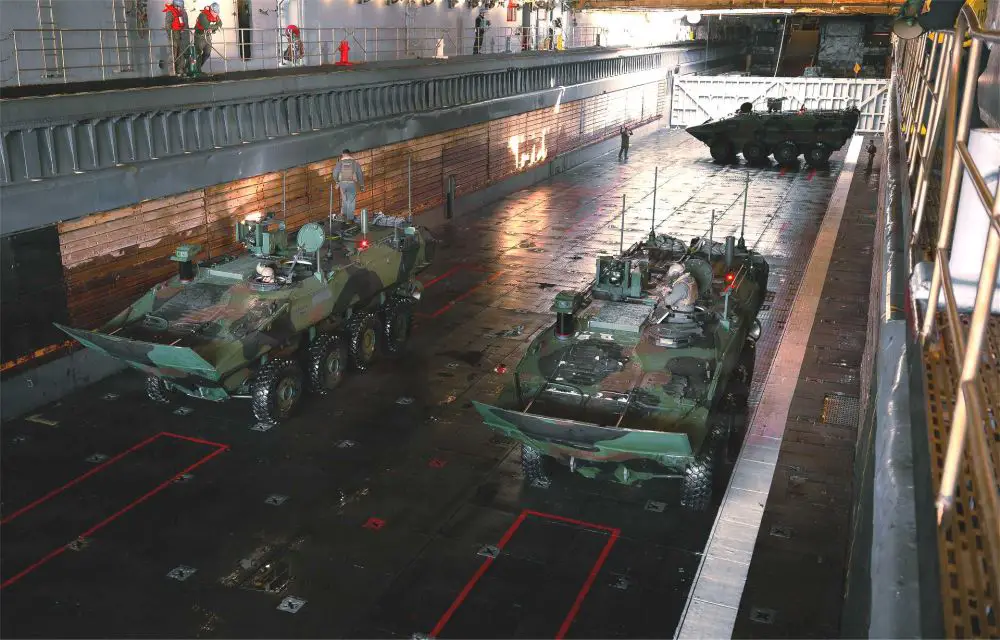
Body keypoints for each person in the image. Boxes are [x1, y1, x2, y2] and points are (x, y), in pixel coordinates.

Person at [333, 150, 365, 223]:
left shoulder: (339, 163)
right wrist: (362, 185)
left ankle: (343, 216)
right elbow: (360, 175)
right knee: (351, 201)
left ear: (343, 154)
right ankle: (349, 219)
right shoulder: (355, 163)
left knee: (344, 199)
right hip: (351, 184)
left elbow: (335, 174)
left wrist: (337, 181)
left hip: (342, 184)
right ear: (349, 154)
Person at [163, 0, 190, 76]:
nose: (180, 9)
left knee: (181, 53)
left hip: (181, 36)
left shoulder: (183, 13)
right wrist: (170, 36)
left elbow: (186, 25)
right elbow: (168, 25)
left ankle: (180, 70)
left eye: (181, 7)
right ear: (176, 6)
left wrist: (186, 36)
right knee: (173, 54)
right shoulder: (170, 12)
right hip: (174, 36)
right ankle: (172, 72)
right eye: (179, 7)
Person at [193, 3, 221, 74]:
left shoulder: (216, 15)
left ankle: (197, 67)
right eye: (215, 12)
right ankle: (197, 70)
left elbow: (220, 23)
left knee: (207, 53)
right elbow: (206, 26)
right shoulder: (202, 15)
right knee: (198, 53)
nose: (216, 14)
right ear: (211, 10)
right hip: (199, 36)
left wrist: (213, 28)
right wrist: (215, 27)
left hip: (207, 36)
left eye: (217, 12)